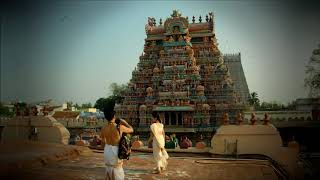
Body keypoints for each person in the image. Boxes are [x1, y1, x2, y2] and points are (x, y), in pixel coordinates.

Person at [100, 110, 133, 180]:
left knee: (108, 168)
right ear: (114, 117)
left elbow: (102, 144)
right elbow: (131, 129)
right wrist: (125, 122)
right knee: (117, 169)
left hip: (107, 150)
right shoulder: (119, 127)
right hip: (116, 151)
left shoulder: (103, 128)